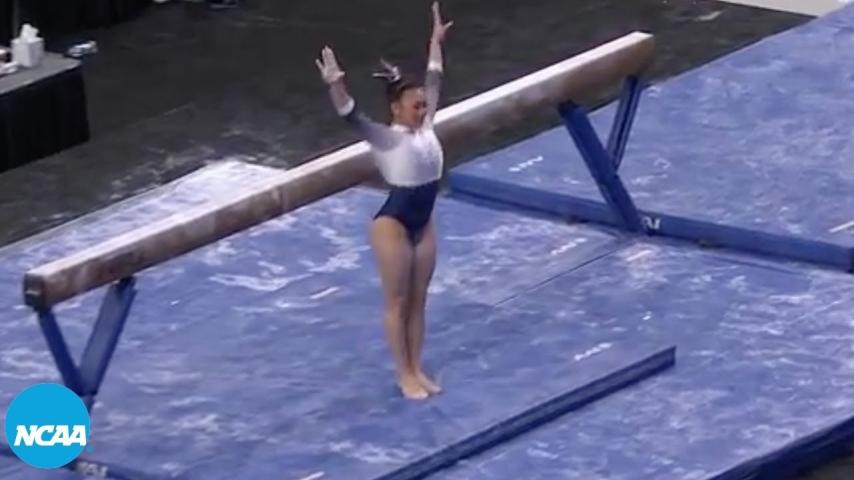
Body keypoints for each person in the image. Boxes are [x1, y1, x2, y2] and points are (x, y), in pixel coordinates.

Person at [316, 2, 453, 400]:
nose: (423, 109)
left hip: (423, 221)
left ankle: (417, 367)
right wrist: (335, 83)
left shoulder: (426, 125)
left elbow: (434, 76)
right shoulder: (386, 137)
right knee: (398, 301)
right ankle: (403, 373)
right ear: (396, 108)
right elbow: (350, 115)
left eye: (423, 105)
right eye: (416, 105)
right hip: (393, 223)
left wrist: (435, 41)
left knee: (419, 300)